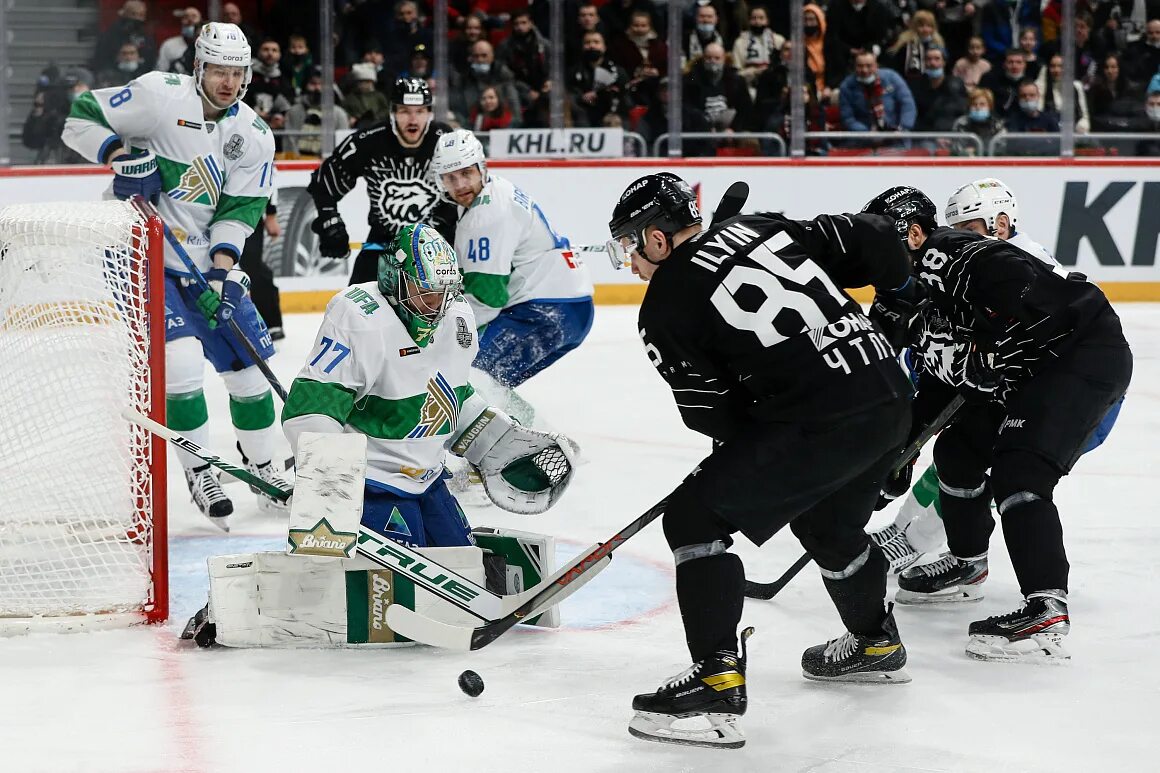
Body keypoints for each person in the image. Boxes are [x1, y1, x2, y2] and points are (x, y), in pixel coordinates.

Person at [608, 173, 915, 749]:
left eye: (630, 246)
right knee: (827, 523)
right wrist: (899, 296)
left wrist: (753, 449)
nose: (630, 264)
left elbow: (714, 417)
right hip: (889, 394)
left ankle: (716, 685)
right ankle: (875, 642)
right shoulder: (762, 228)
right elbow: (878, 240)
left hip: (822, 419)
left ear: (655, 239)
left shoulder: (664, 307)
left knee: (694, 520)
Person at [865, 186, 1131, 662]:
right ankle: (968, 565)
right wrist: (896, 454)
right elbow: (934, 383)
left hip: (1078, 356)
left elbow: (1026, 293)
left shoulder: (952, 254)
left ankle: (1045, 609)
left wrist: (996, 348)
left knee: (1020, 473)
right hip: (1024, 371)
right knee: (957, 451)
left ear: (915, 233)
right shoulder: (897, 295)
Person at [62, 22, 286, 529]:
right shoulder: (158, 96)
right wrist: (118, 155)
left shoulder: (253, 134)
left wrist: (219, 273)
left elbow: (242, 208)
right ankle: (201, 472)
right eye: (219, 71)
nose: (228, 82)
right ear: (199, 68)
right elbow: (80, 117)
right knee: (182, 363)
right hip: (138, 251)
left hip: (206, 264)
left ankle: (267, 470)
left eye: (237, 73)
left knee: (249, 373)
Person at [281, 223, 576, 546]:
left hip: (430, 480)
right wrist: (330, 487)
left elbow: (450, 394)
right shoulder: (358, 316)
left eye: (445, 292)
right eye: (426, 293)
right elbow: (311, 406)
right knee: (398, 591)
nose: (437, 305)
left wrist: (492, 439)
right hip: (371, 484)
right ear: (394, 280)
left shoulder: (458, 317)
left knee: (465, 567)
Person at [870, 177, 1072, 574]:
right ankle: (903, 530)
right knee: (954, 456)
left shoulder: (1022, 265)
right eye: (956, 231)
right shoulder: (969, 263)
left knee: (999, 469)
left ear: (999, 222)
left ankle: (922, 542)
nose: (959, 239)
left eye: (968, 230)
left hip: (1057, 393)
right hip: (1013, 388)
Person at [432, 129, 593, 428]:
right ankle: (542, 440)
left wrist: (443, 331)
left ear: (482, 168)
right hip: (570, 308)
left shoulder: (484, 216)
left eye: (466, 173)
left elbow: (487, 299)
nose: (460, 184)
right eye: (450, 177)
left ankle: (532, 448)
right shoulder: (498, 190)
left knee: (469, 379)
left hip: (545, 311)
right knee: (489, 384)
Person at [307, 77, 457, 286]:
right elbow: (324, 182)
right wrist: (329, 220)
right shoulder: (369, 140)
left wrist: (454, 225)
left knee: (446, 310)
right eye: (405, 111)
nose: (413, 120)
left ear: (429, 113)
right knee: (354, 306)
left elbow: (471, 188)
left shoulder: (447, 141)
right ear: (393, 112)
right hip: (382, 244)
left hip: (437, 246)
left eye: (420, 111)